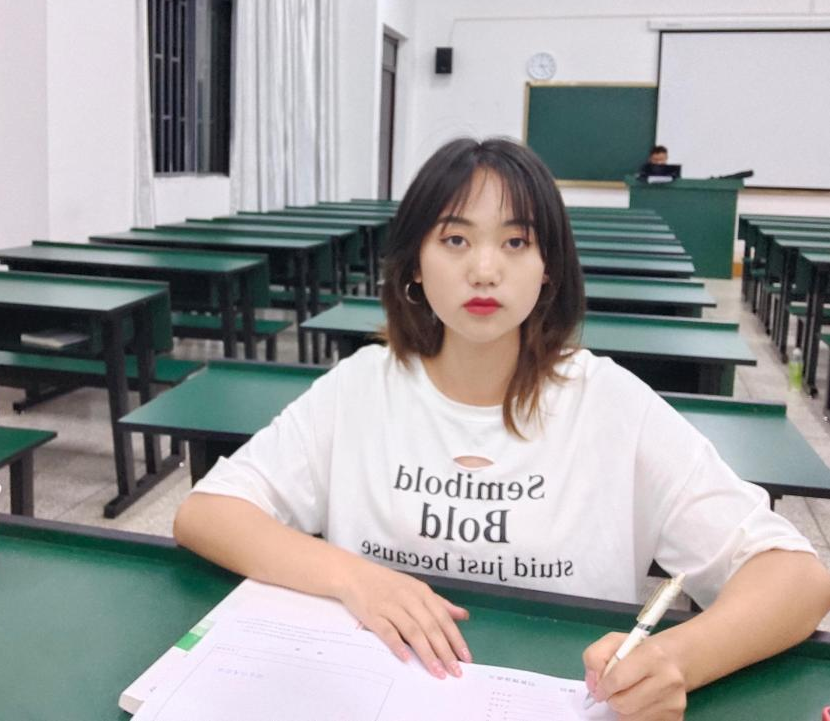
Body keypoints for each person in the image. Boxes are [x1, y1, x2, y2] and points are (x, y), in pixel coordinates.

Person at [174, 137, 830, 720]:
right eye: (454, 240)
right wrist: (356, 577)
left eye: (515, 242)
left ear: (549, 266)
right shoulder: (362, 387)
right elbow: (207, 512)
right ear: (414, 263)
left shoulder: (610, 405)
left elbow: (797, 578)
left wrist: (676, 658)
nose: (484, 269)